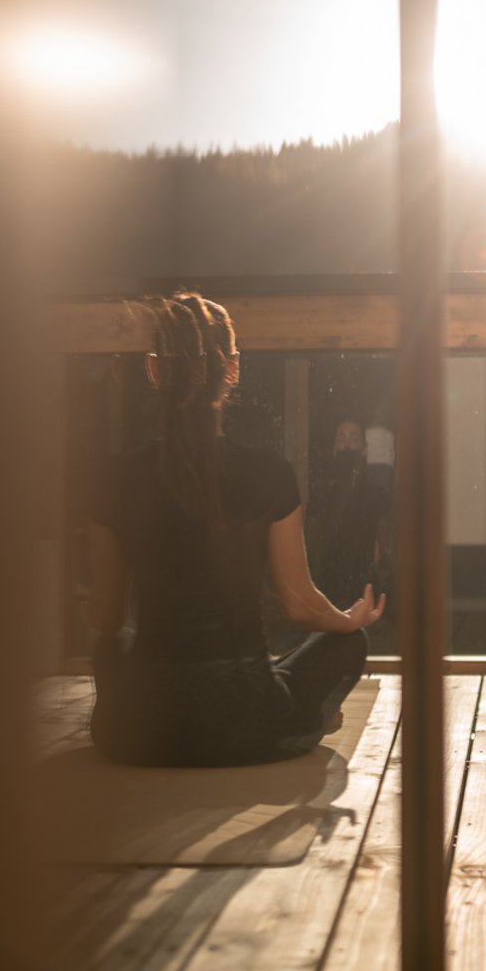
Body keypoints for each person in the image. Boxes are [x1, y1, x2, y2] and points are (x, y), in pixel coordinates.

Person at [86, 294, 385, 767]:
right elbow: (300, 604)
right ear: (232, 368)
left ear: (153, 370)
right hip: (248, 722)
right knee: (350, 644)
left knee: (110, 645)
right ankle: (311, 717)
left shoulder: (114, 477)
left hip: (140, 730)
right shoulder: (268, 473)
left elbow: (104, 620)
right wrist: (349, 621)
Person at [306, 418, 389, 604]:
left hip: (365, 594)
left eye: (354, 439)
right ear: (334, 448)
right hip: (327, 593)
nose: (347, 445)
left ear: (365, 449)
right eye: (341, 439)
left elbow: (385, 548)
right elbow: (310, 550)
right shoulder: (322, 496)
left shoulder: (376, 496)